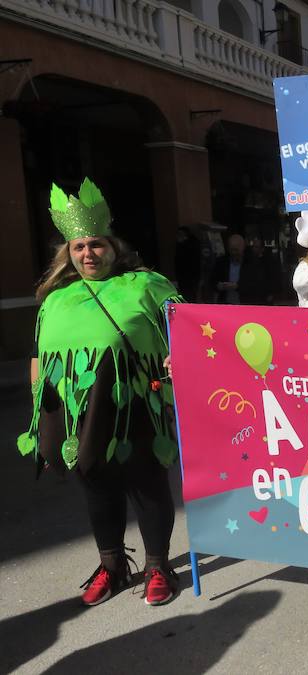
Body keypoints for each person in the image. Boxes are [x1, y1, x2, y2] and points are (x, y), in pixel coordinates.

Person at [17, 178, 181, 607]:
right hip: (78, 412)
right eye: (79, 247)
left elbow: (188, 333)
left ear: (113, 246)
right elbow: (38, 354)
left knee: (146, 483)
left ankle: (158, 566)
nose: (88, 253)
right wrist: (39, 410)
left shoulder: (147, 284)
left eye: (96, 244)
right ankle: (112, 566)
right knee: (95, 484)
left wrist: (179, 358)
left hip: (137, 403)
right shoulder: (56, 298)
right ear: (68, 254)